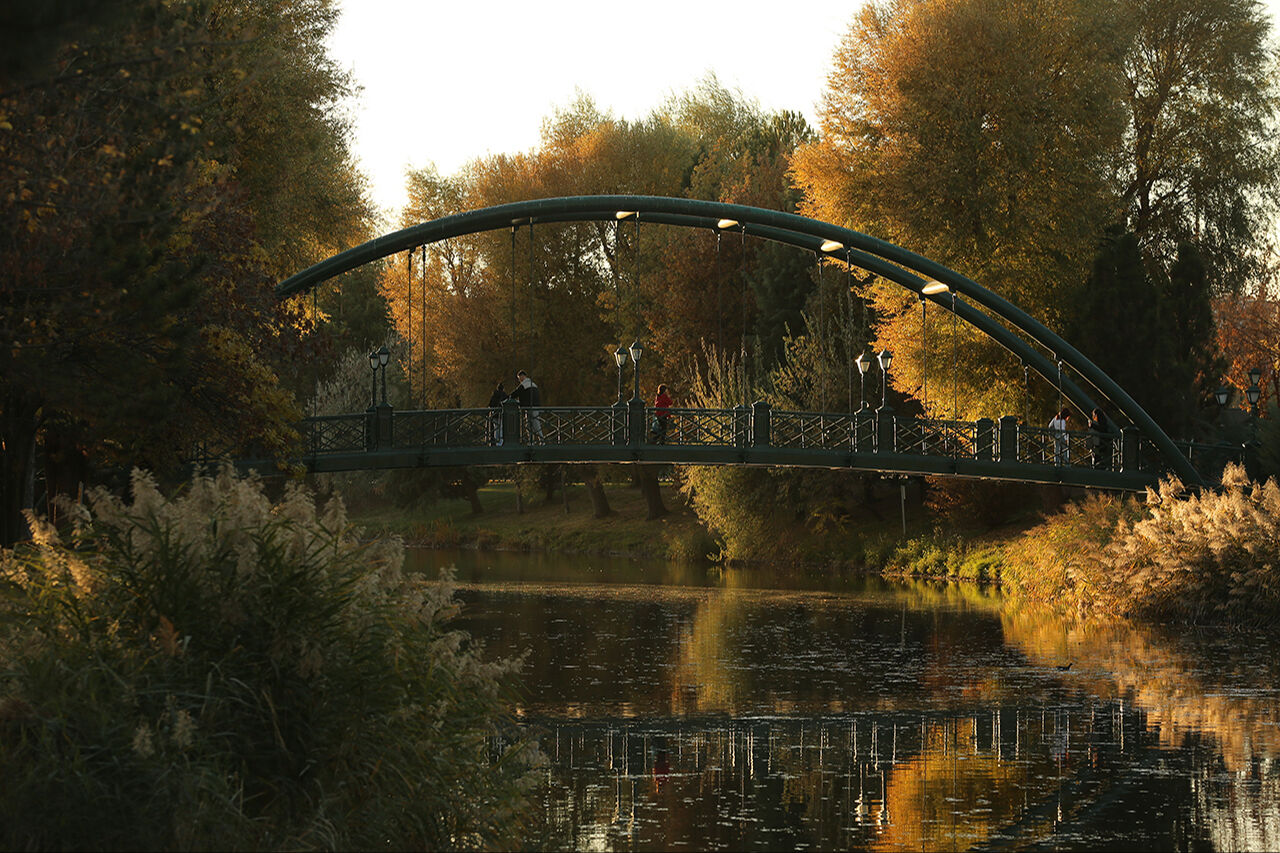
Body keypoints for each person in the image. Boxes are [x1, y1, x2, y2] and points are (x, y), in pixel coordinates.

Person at [513, 370, 543, 442]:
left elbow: (515, 393)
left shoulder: (524, 385)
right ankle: (535, 441)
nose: (519, 380)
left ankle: (539, 440)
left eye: (519, 378)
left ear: (522, 377)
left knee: (535, 424)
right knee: (531, 424)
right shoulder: (533, 384)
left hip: (530, 407)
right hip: (535, 406)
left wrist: (507, 398)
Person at [487, 381, 507, 446]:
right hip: (501, 414)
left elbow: (490, 405)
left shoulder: (494, 395)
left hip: (494, 414)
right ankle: (500, 442)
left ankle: (496, 442)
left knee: (496, 428)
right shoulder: (504, 395)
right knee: (501, 428)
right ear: (503, 388)